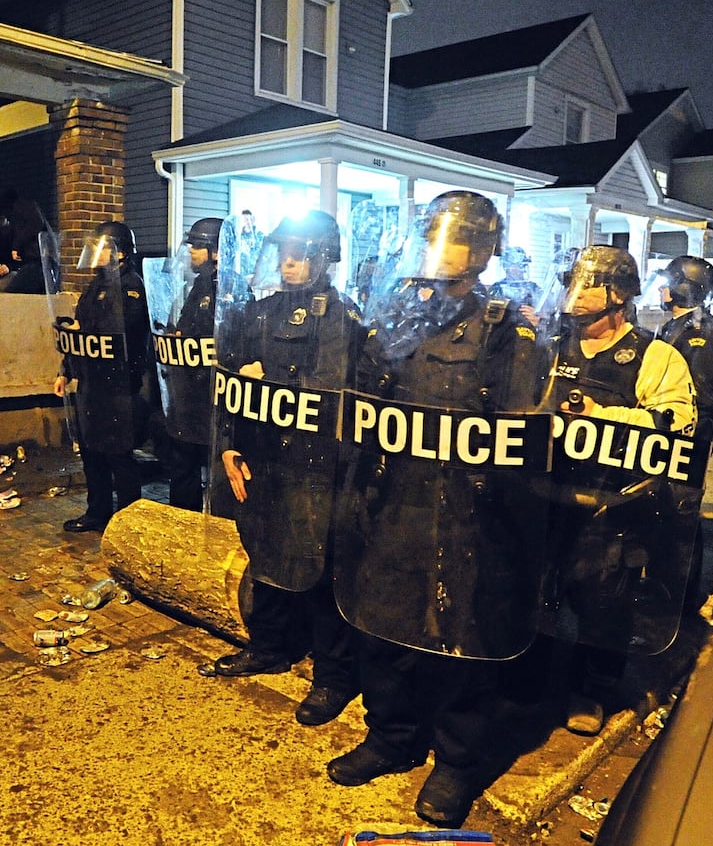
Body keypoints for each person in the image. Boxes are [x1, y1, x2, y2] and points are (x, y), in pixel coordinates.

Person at [328, 193, 545, 827]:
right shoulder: (399, 315)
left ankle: (455, 762)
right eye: (433, 237)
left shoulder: (508, 329)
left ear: (480, 252)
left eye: (451, 240)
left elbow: (521, 430)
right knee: (382, 624)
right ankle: (391, 738)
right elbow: (363, 398)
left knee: (459, 635)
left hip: (466, 509)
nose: (437, 250)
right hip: (395, 499)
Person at [209, 210, 364, 730]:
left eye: (300, 252)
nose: (289, 261)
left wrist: (269, 378)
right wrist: (228, 447)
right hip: (263, 457)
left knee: (320, 569)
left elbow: (327, 393)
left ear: (325, 258)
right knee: (265, 551)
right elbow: (230, 384)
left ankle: (333, 677)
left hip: (314, 463)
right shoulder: (260, 312)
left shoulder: (340, 319)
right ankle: (270, 647)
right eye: (284, 251)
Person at [536, 245, 696, 737]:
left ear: (618, 295)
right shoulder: (548, 346)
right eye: (572, 283)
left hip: (611, 506)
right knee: (538, 594)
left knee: (602, 603)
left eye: (587, 284)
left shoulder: (656, 357)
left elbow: (677, 424)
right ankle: (532, 681)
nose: (574, 294)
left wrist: (598, 417)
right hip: (546, 497)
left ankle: (591, 690)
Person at [50, 221, 150, 533]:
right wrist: (65, 371)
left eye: (102, 247)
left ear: (119, 252)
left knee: (119, 454)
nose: (96, 253)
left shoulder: (132, 287)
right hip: (91, 383)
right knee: (92, 451)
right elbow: (81, 335)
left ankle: (129, 518)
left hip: (119, 386)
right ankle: (98, 512)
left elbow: (120, 331)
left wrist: (84, 331)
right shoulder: (95, 287)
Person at [148, 217, 222, 511]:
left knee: (209, 468)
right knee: (182, 467)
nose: (191, 252)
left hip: (208, 395)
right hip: (186, 393)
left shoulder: (228, 288)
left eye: (198, 247)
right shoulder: (198, 286)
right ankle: (183, 525)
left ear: (216, 251)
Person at [655, 255, 713, 444]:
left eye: (666, 283)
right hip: (670, 424)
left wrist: (689, 441)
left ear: (683, 288)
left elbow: (699, 394)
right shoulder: (677, 325)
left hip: (687, 433)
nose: (660, 289)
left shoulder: (699, 333)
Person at [0, 190, 48, 293]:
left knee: (11, 292)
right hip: (32, 262)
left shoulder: (22, 210)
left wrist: (16, 247)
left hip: (36, 261)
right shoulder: (20, 215)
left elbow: (36, 223)